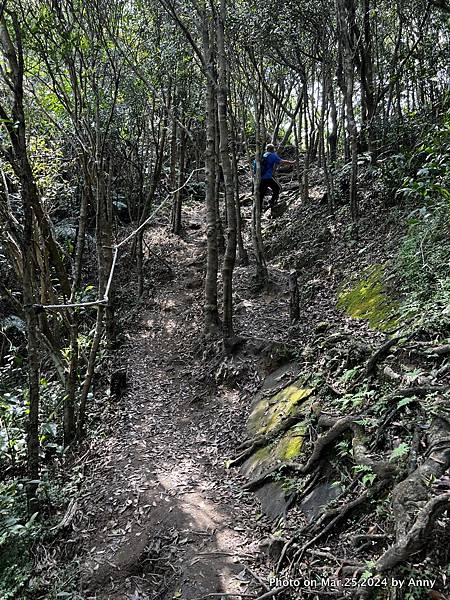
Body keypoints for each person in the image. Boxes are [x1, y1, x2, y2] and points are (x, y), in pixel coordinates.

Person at [254, 143, 295, 214]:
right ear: (273, 149)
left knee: (261, 195)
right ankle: (272, 202)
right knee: (277, 188)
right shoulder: (272, 155)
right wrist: (291, 162)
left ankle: (258, 212)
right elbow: (281, 162)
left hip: (259, 178)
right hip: (267, 178)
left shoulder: (263, 155)